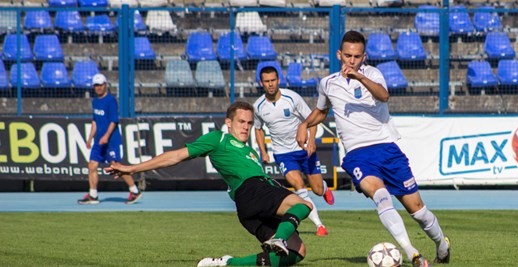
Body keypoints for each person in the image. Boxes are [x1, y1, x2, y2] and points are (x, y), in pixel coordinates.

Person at [295, 30, 450, 267]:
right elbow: (322, 110)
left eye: (357, 56)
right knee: (381, 196)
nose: (352, 60)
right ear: (340, 54)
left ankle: (442, 245)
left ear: (364, 56)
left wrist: (359, 77)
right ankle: (413, 254)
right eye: (348, 56)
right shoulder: (327, 83)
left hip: (387, 149)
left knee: (418, 211)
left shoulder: (373, 74)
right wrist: (305, 124)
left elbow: (384, 96)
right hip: (357, 154)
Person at [105, 101, 313, 267]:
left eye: (249, 123)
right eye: (241, 122)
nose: (246, 127)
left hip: (247, 207)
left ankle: (228, 263)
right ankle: (278, 239)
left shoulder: (250, 152)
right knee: (304, 205)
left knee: (297, 252)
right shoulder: (218, 139)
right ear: (228, 122)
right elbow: (175, 156)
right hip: (253, 189)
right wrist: (132, 169)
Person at [253, 66, 335, 237]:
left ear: (278, 80)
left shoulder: (292, 98)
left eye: (273, 80)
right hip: (283, 153)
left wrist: (312, 140)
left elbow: (311, 119)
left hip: (303, 149)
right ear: (261, 83)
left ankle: (325, 189)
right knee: (299, 186)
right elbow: (258, 129)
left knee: (317, 189)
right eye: (267, 81)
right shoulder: (258, 106)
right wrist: (264, 151)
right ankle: (320, 225)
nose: (270, 84)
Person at [78, 73, 142, 205]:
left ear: (106, 85)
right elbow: (95, 121)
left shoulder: (110, 101)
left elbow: (114, 121)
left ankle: (134, 191)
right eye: (96, 85)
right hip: (98, 141)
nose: (99, 88)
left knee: (116, 166)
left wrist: (106, 136)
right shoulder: (95, 101)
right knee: (92, 166)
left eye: (101, 85)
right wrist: (90, 138)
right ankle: (93, 195)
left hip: (111, 141)